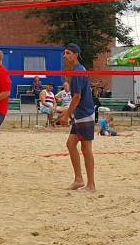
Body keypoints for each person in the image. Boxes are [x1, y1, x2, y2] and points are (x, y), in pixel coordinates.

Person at [58, 43, 96, 191]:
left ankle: (91, 184)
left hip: (85, 114)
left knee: (86, 149)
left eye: (67, 53)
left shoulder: (78, 71)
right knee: (70, 144)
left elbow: (77, 96)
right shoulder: (75, 71)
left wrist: (67, 114)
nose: (64, 56)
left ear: (75, 54)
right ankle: (79, 179)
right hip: (80, 114)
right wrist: (68, 113)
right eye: (64, 53)